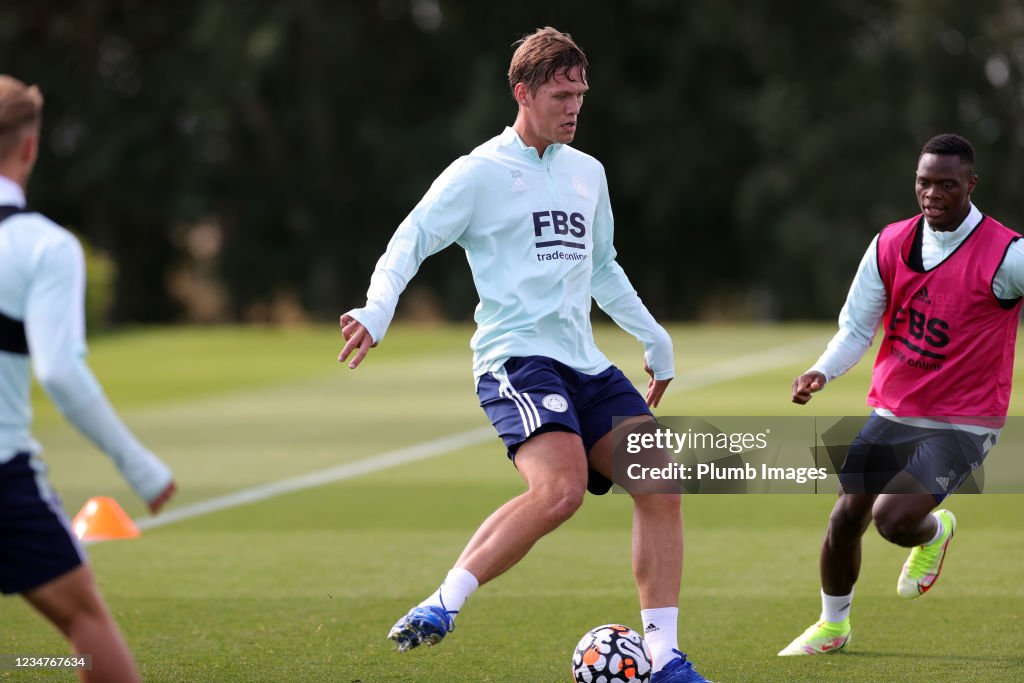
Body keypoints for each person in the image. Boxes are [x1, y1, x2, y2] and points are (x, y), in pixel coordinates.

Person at [340, 27, 711, 683]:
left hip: (587, 364)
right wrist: (377, 307)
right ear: (522, 92)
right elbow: (412, 238)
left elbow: (604, 268)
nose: (573, 107)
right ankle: (443, 602)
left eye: (581, 95)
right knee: (561, 490)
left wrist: (654, 336)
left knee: (662, 482)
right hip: (516, 360)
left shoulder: (587, 173)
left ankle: (664, 659)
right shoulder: (479, 172)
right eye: (561, 94)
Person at [779, 133, 1023, 656]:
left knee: (893, 520)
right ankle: (832, 626)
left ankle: (933, 531)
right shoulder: (889, 242)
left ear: (971, 185)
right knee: (846, 517)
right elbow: (855, 328)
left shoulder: (1008, 255)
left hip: (963, 421)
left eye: (946, 185)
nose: (932, 193)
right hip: (894, 408)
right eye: (923, 182)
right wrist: (821, 371)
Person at [0, 75, 176, 682]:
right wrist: (140, 467)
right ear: (30, 148)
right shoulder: (44, 247)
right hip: (2, 479)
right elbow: (59, 373)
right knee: (85, 628)